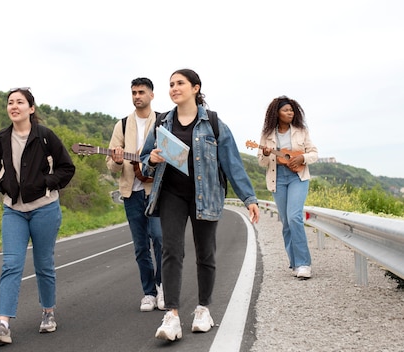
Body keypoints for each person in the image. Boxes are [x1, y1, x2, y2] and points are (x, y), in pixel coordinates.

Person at [139, 68, 260, 341]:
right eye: (170, 84)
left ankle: (203, 309)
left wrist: (249, 198)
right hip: (171, 194)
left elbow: (232, 165)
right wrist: (153, 160)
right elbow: (145, 159)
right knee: (171, 251)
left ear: (195, 88)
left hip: (206, 195)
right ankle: (172, 315)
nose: (174, 88)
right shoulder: (162, 125)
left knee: (205, 253)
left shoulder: (214, 125)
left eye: (180, 83)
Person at [0, 87, 75, 344]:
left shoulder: (45, 136)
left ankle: (48, 313)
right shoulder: (1, 138)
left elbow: (67, 167)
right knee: (11, 264)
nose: (14, 106)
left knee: (44, 264)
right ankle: (2, 324)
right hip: (13, 211)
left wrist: (47, 182)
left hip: (44, 208)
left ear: (31, 109)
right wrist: (3, 186)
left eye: (20, 102)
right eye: (10, 102)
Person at [106, 77, 164, 312]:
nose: (137, 96)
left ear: (151, 95)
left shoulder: (163, 122)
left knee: (160, 239)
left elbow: (174, 153)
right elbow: (111, 165)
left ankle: (163, 288)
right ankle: (148, 293)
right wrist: (118, 161)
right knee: (141, 246)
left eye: (141, 92)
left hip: (157, 191)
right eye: (133, 92)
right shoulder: (121, 125)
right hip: (131, 193)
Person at [258, 96, 318, 279]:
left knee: (294, 218)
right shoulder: (267, 134)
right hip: (278, 179)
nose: (290, 113)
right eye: (285, 110)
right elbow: (261, 162)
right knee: (286, 223)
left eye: (291, 110)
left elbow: (314, 153)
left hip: (298, 177)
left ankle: (304, 264)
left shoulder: (301, 131)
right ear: (276, 113)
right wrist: (267, 154)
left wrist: (302, 158)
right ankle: (294, 263)